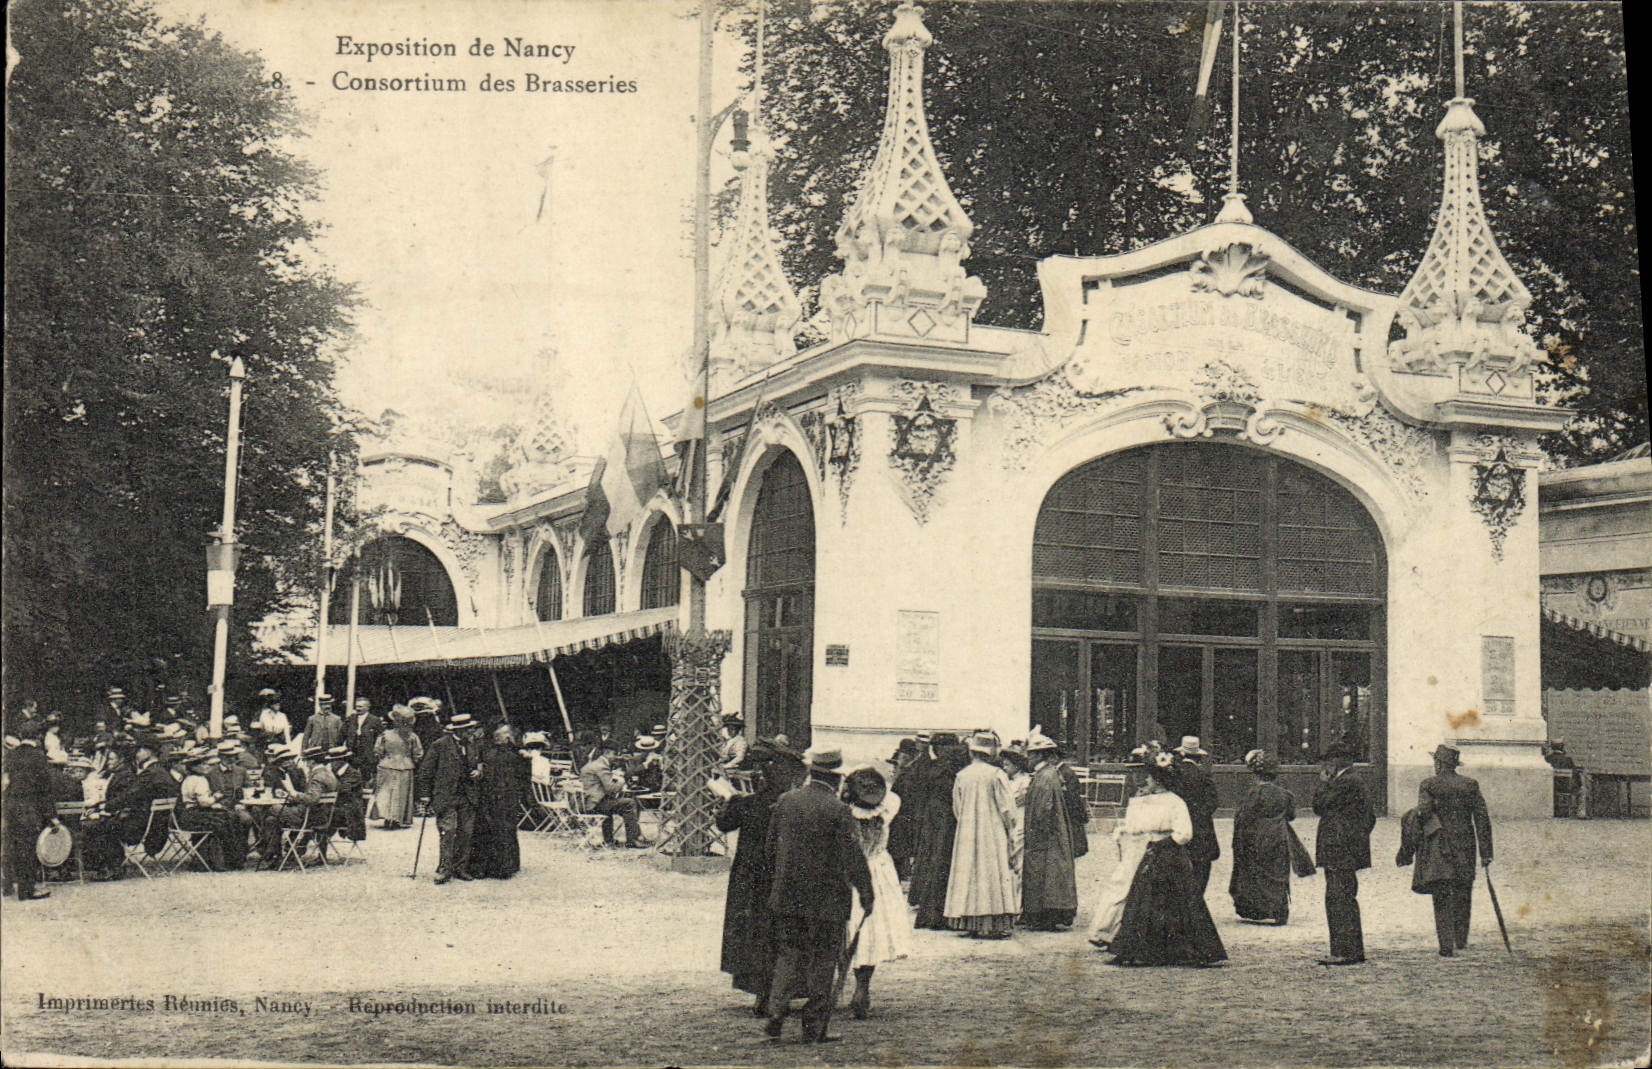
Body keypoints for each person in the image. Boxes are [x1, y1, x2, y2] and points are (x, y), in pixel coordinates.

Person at [762, 748, 874, 1044]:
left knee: (788, 955)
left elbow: (770, 849)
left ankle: (776, 1011)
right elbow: (853, 858)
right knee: (824, 960)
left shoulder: (786, 802)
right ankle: (814, 1027)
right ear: (837, 778)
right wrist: (867, 892)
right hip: (827, 901)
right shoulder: (839, 810)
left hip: (787, 897)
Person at [1102, 742, 1228, 967]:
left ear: (1159, 780)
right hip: (1153, 852)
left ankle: (1182, 950)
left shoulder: (1175, 802)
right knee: (1143, 901)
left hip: (1170, 856)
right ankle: (1141, 949)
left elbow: (1184, 833)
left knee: (1176, 901)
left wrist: (1164, 844)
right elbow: (1139, 826)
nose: (1145, 782)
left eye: (1149, 778)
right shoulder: (1146, 801)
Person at [716, 737, 805, 1017]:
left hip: (751, 879)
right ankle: (780, 993)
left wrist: (726, 800)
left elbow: (723, 823)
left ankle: (762, 993)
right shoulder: (793, 804)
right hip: (783, 877)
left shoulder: (749, 803)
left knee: (755, 933)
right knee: (783, 934)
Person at [843, 766, 913, 1020]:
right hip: (878, 871)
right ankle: (862, 987)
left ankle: (837, 985)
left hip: (849, 871)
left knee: (846, 928)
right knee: (871, 931)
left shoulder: (845, 814)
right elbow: (892, 799)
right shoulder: (888, 809)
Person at [1415, 744, 1494, 957]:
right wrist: (1486, 853)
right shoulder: (1470, 785)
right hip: (1465, 846)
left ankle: (1445, 945)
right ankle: (1460, 939)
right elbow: (1482, 819)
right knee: (1463, 891)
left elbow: (1423, 812)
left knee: (1441, 893)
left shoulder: (1429, 785)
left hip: (1439, 846)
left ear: (1438, 764)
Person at [944, 732, 1020, 939]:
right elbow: (1007, 808)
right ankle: (992, 922)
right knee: (992, 872)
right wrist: (1009, 828)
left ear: (972, 752)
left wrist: (967, 822)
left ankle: (970, 920)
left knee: (969, 872)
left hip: (967, 830)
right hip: (992, 830)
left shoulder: (962, 775)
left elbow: (957, 808)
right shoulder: (996, 775)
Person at [1313, 743, 1375, 966]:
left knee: (1338, 899)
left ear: (1339, 761)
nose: (1326, 764)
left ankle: (1343, 951)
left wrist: (1324, 783)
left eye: (1329, 760)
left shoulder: (1345, 782)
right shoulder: (1353, 780)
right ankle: (1349, 950)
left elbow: (1319, 805)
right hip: (1345, 850)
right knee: (1343, 898)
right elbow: (1370, 819)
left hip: (1338, 850)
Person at [1229, 749, 1298, 925]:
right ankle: (1280, 909)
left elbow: (1245, 817)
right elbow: (1291, 815)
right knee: (1277, 871)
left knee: (1257, 871)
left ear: (1255, 773)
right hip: (1279, 835)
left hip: (1258, 836)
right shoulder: (1285, 794)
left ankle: (1258, 909)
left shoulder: (1254, 794)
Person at [1020, 731, 1079, 931]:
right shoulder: (1049, 774)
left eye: (1031, 754)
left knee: (1044, 874)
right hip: (1051, 833)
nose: (1028, 758)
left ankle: (1043, 914)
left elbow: (1043, 809)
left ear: (1038, 755)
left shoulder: (1045, 777)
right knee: (1051, 874)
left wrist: (1036, 831)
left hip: (1045, 835)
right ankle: (1047, 913)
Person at [907, 733, 967, 928]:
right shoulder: (955, 766)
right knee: (945, 864)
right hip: (947, 821)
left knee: (935, 864)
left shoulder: (935, 767)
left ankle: (933, 913)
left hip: (935, 821)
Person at [417, 712, 485, 883]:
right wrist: (425, 795)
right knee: (448, 832)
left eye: (471, 729)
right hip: (446, 797)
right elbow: (425, 771)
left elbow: (479, 764)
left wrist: (478, 771)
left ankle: (460, 868)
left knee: (466, 833)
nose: (471, 732)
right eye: (468, 730)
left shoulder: (473, 745)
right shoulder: (440, 745)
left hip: (467, 796)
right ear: (459, 730)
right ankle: (444, 869)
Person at [3, 720, 64, 900]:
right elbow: (45, 789)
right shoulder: (38, 757)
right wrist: (52, 816)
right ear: (38, 737)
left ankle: (6, 887)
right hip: (29, 809)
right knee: (27, 848)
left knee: (10, 846)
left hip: (10, 806)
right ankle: (26, 890)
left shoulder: (10, 755)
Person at [470, 724, 530, 879]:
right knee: (491, 830)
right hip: (491, 795)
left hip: (506, 797)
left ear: (508, 737)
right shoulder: (492, 751)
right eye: (495, 737)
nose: (496, 739)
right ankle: (495, 867)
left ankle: (505, 867)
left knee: (505, 830)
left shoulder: (517, 754)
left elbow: (523, 777)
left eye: (500, 736)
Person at [178, 751, 247, 870]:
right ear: (194, 767)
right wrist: (215, 797)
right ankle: (231, 860)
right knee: (226, 820)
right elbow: (204, 802)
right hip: (195, 814)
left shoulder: (188, 779)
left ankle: (220, 860)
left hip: (187, 814)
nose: (208, 767)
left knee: (226, 818)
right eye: (204, 764)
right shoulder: (200, 780)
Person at [1171, 735, 1221, 894]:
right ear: (1198, 756)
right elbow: (1213, 802)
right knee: (1201, 867)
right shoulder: (1203, 774)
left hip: (1177, 825)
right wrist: (1199, 815)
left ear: (1182, 754)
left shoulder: (1174, 774)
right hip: (1201, 827)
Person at [579, 739, 647, 848]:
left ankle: (609, 840)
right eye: (614, 754)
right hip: (594, 804)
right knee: (629, 803)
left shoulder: (592, 764)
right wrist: (621, 779)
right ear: (606, 753)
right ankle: (632, 840)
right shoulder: (601, 766)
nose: (616, 757)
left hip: (587, 802)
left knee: (611, 803)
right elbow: (611, 789)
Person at [885, 735, 930, 880]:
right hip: (906, 816)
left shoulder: (908, 775)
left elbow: (899, 797)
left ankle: (903, 872)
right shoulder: (908, 772)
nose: (897, 762)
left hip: (904, 816)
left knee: (900, 845)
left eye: (900, 757)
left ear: (907, 756)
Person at [373, 706, 423, 828]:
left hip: (387, 765)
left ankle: (387, 816)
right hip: (405, 766)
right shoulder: (412, 736)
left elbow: (378, 751)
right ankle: (398, 818)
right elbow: (418, 753)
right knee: (402, 793)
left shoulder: (385, 735)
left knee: (386, 792)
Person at [344, 697, 384, 789]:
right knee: (352, 778)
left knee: (366, 779)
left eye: (361, 707)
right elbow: (342, 735)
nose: (358, 708)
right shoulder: (350, 719)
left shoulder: (374, 720)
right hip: (352, 755)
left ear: (367, 707)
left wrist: (377, 752)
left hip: (367, 756)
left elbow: (381, 737)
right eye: (357, 706)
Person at [303, 695, 344, 762]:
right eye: (324, 704)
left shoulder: (337, 719)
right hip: (316, 750)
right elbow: (306, 737)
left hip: (331, 749)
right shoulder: (312, 719)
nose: (327, 706)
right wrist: (304, 753)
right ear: (320, 705)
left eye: (329, 704)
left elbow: (342, 736)